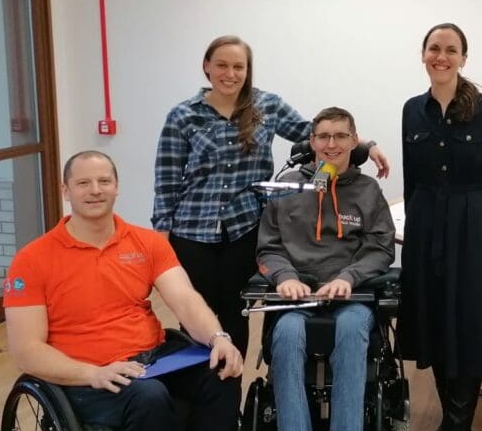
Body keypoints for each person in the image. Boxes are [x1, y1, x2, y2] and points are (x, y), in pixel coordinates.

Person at [3, 151, 244, 431]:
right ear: (66, 190)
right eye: (83, 183)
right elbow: (27, 350)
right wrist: (91, 373)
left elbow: (184, 299)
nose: (94, 190)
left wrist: (219, 337)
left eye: (103, 181)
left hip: (149, 359)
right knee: (148, 397)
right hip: (83, 376)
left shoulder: (146, 242)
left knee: (222, 375)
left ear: (117, 187)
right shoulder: (33, 260)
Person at [152, 35, 390, 355]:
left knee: (236, 317)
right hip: (192, 232)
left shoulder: (267, 107)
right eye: (222, 65)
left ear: (248, 71)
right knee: (194, 320)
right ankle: (200, 397)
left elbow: (319, 135)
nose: (230, 73)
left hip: (244, 228)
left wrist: (368, 146)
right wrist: (161, 238)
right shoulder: (183, 116)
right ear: (206, 66)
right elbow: (166, 180)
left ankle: (229, 399)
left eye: (239, 67)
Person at [255, 107, 395, 431]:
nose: (331, 144)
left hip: (350, 299)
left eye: (340, 136)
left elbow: (381, 248)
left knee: (352, 330)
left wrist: (350, 276)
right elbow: (268, 247)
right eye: (323, 137)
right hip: (295, 298)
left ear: (355, 142)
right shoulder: (286, 188)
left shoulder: (368, 191)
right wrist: (282, 277)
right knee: (286, 335)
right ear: (312, 142)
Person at [398, 22, 482, 431]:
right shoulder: (412, 110)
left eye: (451, 50)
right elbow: (410, 177)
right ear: (423, 55)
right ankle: (450, 423)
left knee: (469, 326)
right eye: (434, 48)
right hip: (427, 223)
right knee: (435, 323)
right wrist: (412, 227)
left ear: (464, 58)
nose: (441, 56)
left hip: (474, 224)